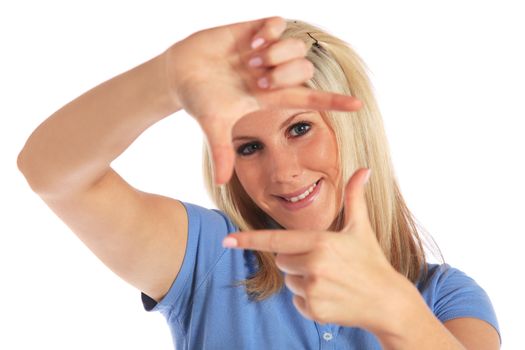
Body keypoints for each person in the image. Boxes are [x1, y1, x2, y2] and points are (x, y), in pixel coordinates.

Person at [17, 16, 500, 349]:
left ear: (355, 127)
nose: (282, 172)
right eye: (249, 147)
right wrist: (164, 80)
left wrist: (396, 310)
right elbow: (52, 174)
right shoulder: (209, 257)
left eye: (300, 129)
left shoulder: (445, 296)